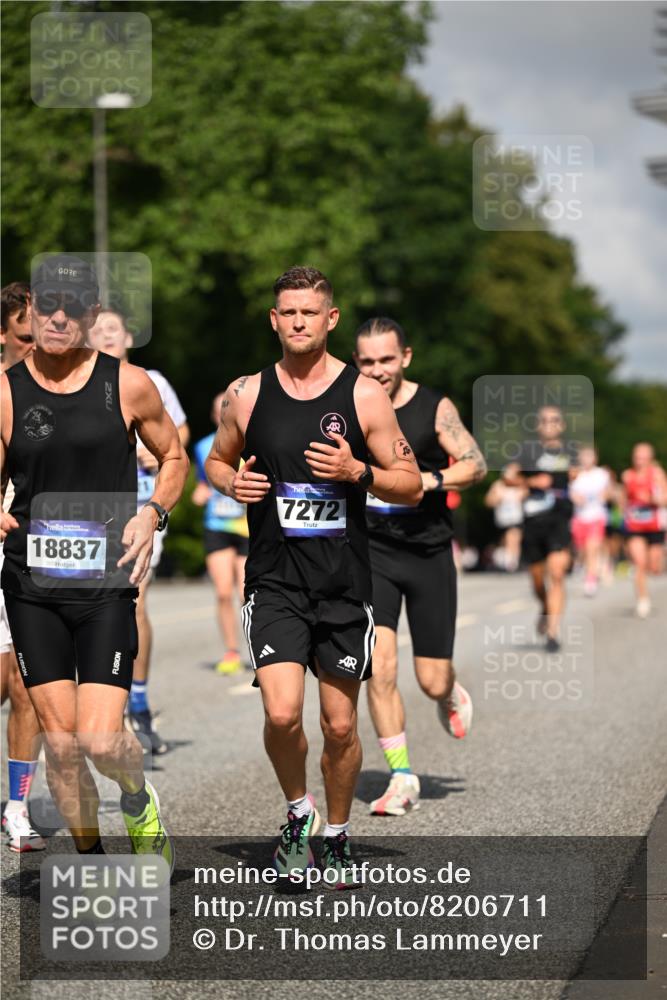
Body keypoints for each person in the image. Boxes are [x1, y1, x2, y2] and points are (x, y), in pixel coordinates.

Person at [205, 267, 422, 884]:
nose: (298, 322)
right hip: (275, 581)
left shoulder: (364, 397)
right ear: (273, 320)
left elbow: (408, 486)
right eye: (287, 312)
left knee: (341, 724)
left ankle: (338, 831)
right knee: (280, 715)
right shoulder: (245, 395)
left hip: (345, 586)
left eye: (310, 312)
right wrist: (230, 481)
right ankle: (298, 816)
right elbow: (217, 463)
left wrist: (359, 472)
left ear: (330, 320)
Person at [0, 254, 188, 864]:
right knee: (60, 743)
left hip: (105, 585)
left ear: (92, 314)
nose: (57, 318)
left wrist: (151, 512)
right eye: (46, 307)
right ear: (31, 313)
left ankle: (135, 794)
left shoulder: (128, 384)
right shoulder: (4, 392)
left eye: (72, 308)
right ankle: (91, 860)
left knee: (102, 739)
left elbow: (175, 458)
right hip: (33, 582)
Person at [353, 318, 486, 816]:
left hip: (429, 552)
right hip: (372, 553)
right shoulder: (349, 405)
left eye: (386, 360)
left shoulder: (434, 407)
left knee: (430, 678)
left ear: (405, 357)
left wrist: (428, 481)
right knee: (379, 667)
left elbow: (475, 463)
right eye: (366, 361)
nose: (377, 370)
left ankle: (448, 692)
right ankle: (402, 776)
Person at [88, 309, 190, 753]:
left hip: (140, 507)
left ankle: (139, 706)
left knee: (135, 598)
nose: (106, 337)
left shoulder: (150, 380)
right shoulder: (79, 381)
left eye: (113, 330)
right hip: (88, 511)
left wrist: (157, 455)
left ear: (129, 336)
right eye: (97, 331)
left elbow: (178, 434)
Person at [1, 281, 44, 851]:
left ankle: (17, 806)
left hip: (37, 550)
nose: (38, 348)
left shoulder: (73, 390)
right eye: (25, 339)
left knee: (28, 686)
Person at [192, 392, 248, 674]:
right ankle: (231, 651)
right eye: (219, 412)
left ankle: (262, 651)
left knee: (246, 591)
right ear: (215, 416)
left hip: (248, 528)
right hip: (217, 525)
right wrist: (200, 494)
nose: (223, 415)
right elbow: (204, 482)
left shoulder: (253, 442)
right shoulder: (203, 447)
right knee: (224, 591)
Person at [514, 406, 576, 652]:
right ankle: (545, 606)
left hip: (559, 518)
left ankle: (553, 631)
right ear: (538, 425)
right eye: (545, 420)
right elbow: (509, 478)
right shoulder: (527, 451)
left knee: (557, 574)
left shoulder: (571, 452)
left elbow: (580, 475)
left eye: (554, 420)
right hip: (533, 521)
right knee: (538, 581)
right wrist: (531, 481)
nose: (550, 424)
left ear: (561, 425)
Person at [621, 443, 666, 618]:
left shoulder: (657, 474)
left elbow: (664, 499)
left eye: (643, 457)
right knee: (639, 563)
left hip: (654, 525)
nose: (639, 460)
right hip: (635, 526)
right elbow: (624, 500)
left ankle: (652, 570)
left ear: (650, 458)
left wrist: (653, 499)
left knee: (654, 566)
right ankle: (643, 599)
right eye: (637, 456)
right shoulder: (628, 475)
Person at [569, 447, 610, 596]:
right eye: (584, 456)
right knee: (581, 550)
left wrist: (602, 496)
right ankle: (584, 567)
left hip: (596, 516)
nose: (586, 459)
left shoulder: (601, 474)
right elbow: (572, 493)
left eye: (589, 456)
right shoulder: (575, 474)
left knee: (592, 547)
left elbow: (606, 494)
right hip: (579, 517)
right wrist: (577, 498)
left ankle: (591, 579)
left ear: (595, 458)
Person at [484, 462, 524, 573]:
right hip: (503, 518)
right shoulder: (498, 485)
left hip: (516, 517)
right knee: (506, 539)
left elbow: (526, 496)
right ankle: (508, 560)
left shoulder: (521, 485)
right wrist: (497, 499)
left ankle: (512, 562)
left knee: (514, 537)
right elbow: (488, 501)